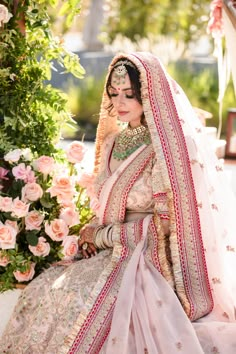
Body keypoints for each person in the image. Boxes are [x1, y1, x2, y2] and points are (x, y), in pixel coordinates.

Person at [1, 52, 236, 354]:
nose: (120, 102)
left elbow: (166, 225)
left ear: (149, 95)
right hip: (106, 252)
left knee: (84, 302)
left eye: (129, 94)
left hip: (144, 258)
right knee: (44, 290)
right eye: (114, 94)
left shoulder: (166, 151)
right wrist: (91, 233)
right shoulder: (113, 142)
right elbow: (107, 204)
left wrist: (102, 236)